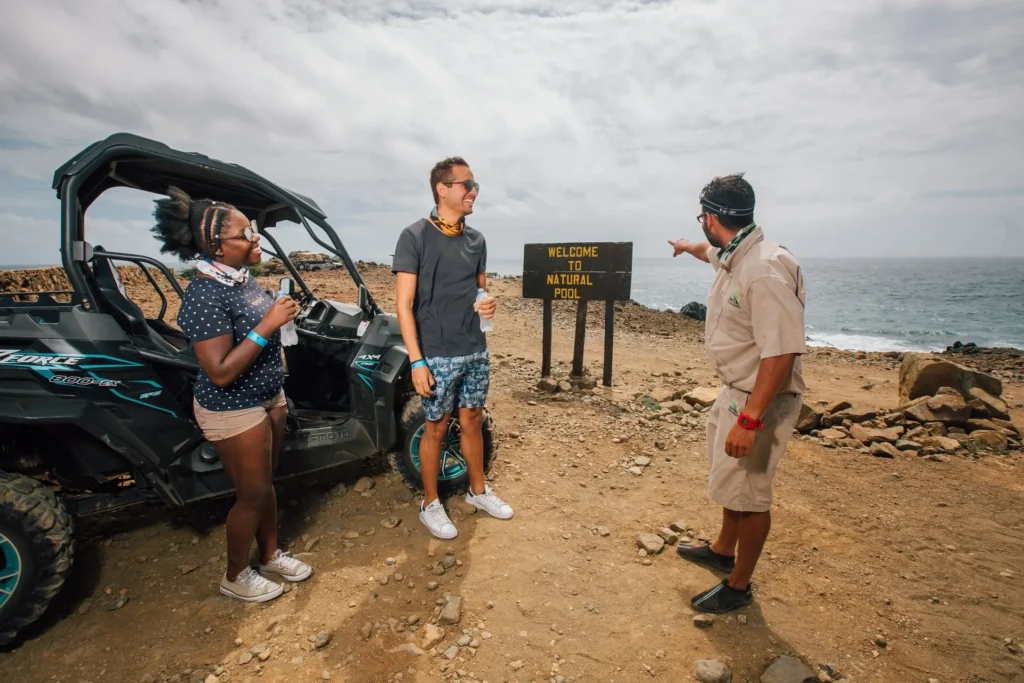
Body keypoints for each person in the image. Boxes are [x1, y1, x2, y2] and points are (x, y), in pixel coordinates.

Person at [151, 186, 312, 602]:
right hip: (232, 407)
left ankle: (270, 555)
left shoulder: (242, 279)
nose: (256, 239)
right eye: (245, 234)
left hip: (268, 397)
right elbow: (220, 372)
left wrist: (278, 314)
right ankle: (236, 576)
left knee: (265, 485)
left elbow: (255, 327)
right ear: (218, 247)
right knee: (251, 494)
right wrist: (268, 323)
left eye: (253, 230)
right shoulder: (203, 295)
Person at [668, 173, 806, 614]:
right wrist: (687, 246)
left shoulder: (763, 269)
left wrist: (750, 420)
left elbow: (781, 353)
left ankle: (739, 584)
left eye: (701, 219)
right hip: (736, 391)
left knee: (751, 493)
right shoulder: (737, 252)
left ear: (711, 217)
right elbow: (708, 251)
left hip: (758, 400)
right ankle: (723, 549)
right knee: (732, 480)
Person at [392, 156, 514, 540]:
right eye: (467, 184)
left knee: (473, 419)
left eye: (475, 185)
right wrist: (417, 361)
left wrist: (488, 304)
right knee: (435, 427)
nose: (474, 191)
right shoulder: (414, 236)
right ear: (442, 189)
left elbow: (480, 291)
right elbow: (403, 305)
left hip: (475, 348)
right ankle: (430, 503)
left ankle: (478, 490)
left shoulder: (477, 240)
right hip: (437, 353)